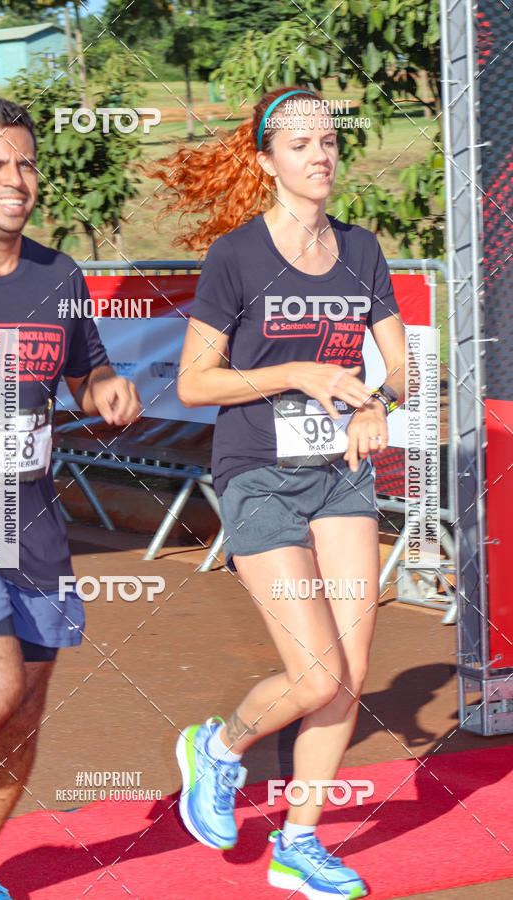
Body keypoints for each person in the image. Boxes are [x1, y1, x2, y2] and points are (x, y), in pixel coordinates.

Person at [151, 87, 407, 898]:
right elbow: (194, 384)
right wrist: (295, 372)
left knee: (353, 670)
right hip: (258, 473)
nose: (320, 155)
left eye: (328, 141)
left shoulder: (363, 251)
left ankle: (299, 843)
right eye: (300, 145)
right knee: (315, 675)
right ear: (267, 160)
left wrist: (380, 406)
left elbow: (402, 369)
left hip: (341, 477)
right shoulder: (236, 256)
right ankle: (219, 750)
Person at [0, 99, 141, 899]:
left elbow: (89, 369)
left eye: (26, 164)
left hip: (33, 522)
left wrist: (108, 387)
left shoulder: (60, 277)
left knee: (21, 715)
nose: (16, 180)